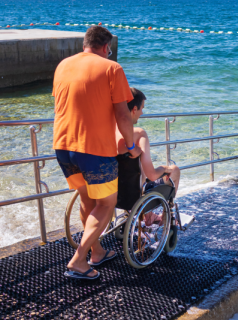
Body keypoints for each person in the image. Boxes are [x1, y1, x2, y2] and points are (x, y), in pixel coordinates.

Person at [53, 26, 141, 280]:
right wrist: (132, 146)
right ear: (106, 48)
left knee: (86, 199)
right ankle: (78, 261)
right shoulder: (111, 68)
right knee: (106, 203)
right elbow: (123, 115)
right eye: (109, 50)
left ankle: (97, 252)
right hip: (93, 150)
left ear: (85, 45)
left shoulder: (63, 66)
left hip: (63, 146)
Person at [115, 88, 180, 225]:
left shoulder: (110, 131)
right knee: (174, 170)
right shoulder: (139, 134)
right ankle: (166, 217)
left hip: (114, 193)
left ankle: (148, 215)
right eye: (142, 108)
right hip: (135, 197)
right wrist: (163, 168)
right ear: (134, 109)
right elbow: (152, 175)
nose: (142, 112)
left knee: (138, 171)